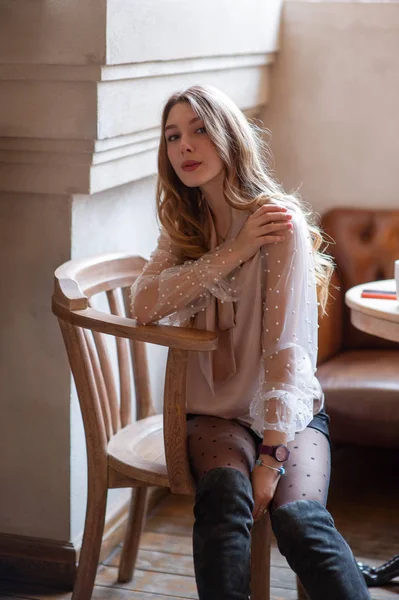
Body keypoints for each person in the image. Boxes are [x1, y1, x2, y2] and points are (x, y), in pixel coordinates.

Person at [130, 85, 371, 600]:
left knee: (300, 522)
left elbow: (288, 354)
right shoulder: (185, 225)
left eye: (199, 130)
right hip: (213, 412)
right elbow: (144, 303)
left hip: (288, 413)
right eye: (173, 136)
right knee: (223, 496)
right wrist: (233, 250)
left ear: (230, 137)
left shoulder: (277, 221)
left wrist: (271, 458)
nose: (185, 147)